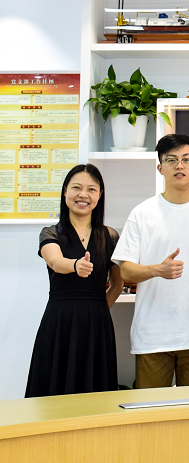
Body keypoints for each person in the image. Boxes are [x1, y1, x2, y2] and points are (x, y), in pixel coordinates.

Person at [112, 134, 189, 388]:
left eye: (186, 159)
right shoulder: (143, 213)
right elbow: (126, 272)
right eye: (171, 160)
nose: (179, 165)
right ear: (160, 167)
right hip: (153, 334)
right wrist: (157, 270)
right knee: (150, 407)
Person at [25, 164, 124, 397]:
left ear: (99, 195)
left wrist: (98, 308)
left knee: (96, 391)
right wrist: (75, 265)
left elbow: (118, 283)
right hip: (60, 320)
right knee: (55, 388)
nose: (83, 195)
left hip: (97, 323)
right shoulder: (51, 232)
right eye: (77, 188)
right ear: (65, 192)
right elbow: (55, 261)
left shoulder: (109, 236)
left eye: (91, 189)